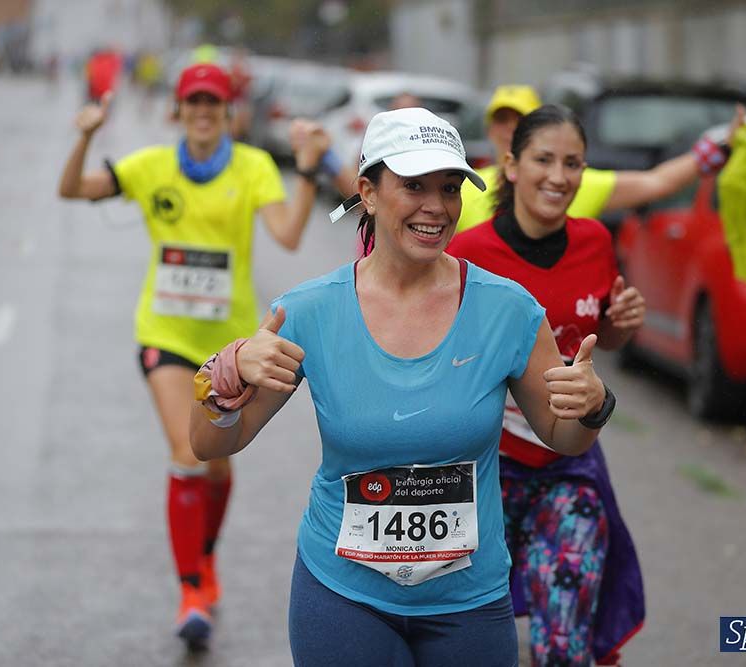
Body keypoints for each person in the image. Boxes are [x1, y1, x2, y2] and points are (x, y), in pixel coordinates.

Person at [188, 107, 619, 666]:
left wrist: (593, 405)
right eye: (413, 186)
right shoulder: (310, 310)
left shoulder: (508, 309)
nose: (435, 207)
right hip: (344, 596)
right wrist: (222, 376)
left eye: (449, 187)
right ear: (367, 191)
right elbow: (210, 443)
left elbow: (562, 437)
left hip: (469, 601)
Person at [448, 102, 742, 666]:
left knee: (566, 635)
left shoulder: (595, 243)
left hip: (567, 465)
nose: (559, 177)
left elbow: (596, 339)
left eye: (573, 163)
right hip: (482, 470)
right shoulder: (468, 255)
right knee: (471, 639)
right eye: (544, 160)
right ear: (510, 166)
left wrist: (618, 327)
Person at [58, 62, 326, 649]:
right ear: (178, 110)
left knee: (219, 462)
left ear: (228, 111)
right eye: (193, 101)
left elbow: (286, 234)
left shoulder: (253, 166)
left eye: (214, 102)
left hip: (231, 346)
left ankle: (204, 557)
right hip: (166, 336)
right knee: (187, 450)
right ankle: (190, 591)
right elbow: (72, 189)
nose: (204, 111)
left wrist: (307, 170)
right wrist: (84, 135)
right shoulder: (151, 166)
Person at [456, 84, 745, 233]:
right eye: (501, 119)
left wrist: (719, 149)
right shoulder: (465, 187)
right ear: (489, 128)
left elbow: (655, 182)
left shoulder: (573, 182)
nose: (509, 128)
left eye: (520, 118)